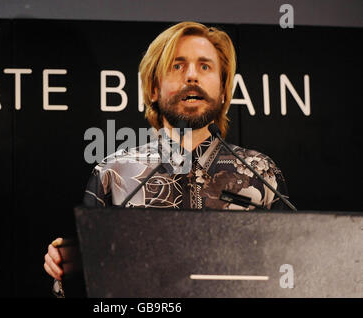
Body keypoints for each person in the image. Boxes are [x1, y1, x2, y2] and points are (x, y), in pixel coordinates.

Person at [44, 21, 290, 297]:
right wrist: (65, 268)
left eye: (205, 66)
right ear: (153, 89)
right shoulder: (112, 172)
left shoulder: (261, 173)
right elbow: (84, 286)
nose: (192, 76)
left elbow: (291, 274)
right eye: (177, 65)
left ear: (223, 91)